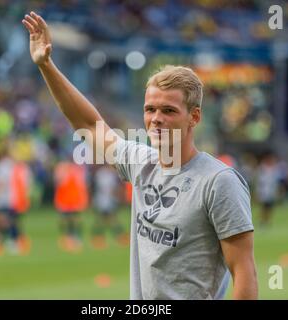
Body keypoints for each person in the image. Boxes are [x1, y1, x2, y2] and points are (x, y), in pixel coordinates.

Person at [22, 11, 257, 299]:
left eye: (169, 110)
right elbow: (88, 125)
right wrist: (46, 65)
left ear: (194, 117)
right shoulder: (140, 162)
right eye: (150, 109)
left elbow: (244, 274)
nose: (156, 118)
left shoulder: (218, 182)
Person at [90, 164, 129, 249]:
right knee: (106, 219)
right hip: (103, 200)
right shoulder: (102, 173)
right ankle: (119, 236)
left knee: (107, 219)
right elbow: (99, 187)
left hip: (109, 200)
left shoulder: (111, 174)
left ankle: (100, 238)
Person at [254, 152, 280, 228]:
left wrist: (276, 191)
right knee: (263, 207)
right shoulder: (262, 168)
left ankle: (267, 221)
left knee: (269, 207)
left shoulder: (273, 168)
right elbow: (258, 181)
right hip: (263, 191)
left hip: (270, 191)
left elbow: (275, 182)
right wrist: (257, 192)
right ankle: (262, 221)